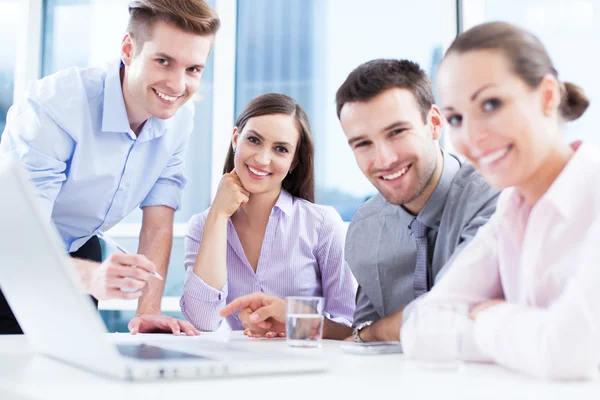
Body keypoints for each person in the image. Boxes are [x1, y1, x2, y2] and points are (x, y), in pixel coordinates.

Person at [218, 59, 499, 343]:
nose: (384, 159)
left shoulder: (494, 196)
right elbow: (355, 334)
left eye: (397, 132)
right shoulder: (366, 227)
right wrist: (295, 318)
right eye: (363, 143)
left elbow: (452, 310)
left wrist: (374, 332)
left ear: (435, 123)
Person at [0, 0, 220, 335]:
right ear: (128, 49)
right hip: (11, 253)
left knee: (70, 374)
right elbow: (17, 241)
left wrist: (148, 310)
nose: (177, 86)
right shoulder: (55, 106)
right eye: (163, 62)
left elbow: (158, 224)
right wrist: (92, 277)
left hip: (76, 253)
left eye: (193, 70)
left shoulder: (178, 120)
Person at [401, 21, 599, 380]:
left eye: (491, 104)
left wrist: (487, 314)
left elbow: (569, 353)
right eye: (457, 118)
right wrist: (530, 333)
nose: (472, 136)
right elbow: (419, 328)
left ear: (547, 96)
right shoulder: (510, 209)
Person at [181, 93, 356, 339]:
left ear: (293, 162)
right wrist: (219, 215)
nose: (262, 159)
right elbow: (203, 321)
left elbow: (350, 325)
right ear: (235, 139)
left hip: (305, 370)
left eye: (281, 149)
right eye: (253, 140)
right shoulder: (203, 225)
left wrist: (293, 320)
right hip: (232, 370)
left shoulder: (322, 225)